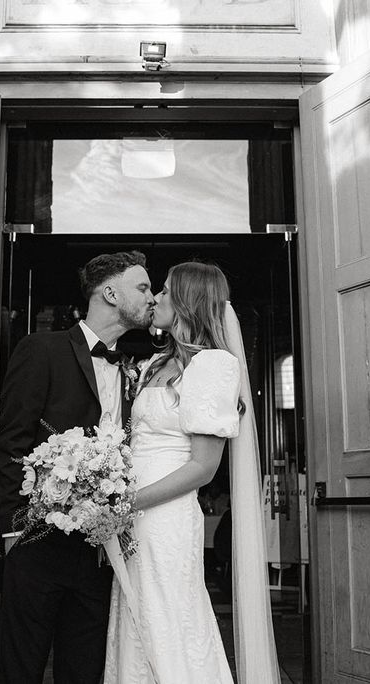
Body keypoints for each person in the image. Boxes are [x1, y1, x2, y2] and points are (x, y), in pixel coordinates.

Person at [103, 261, 280, 684]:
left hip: (164, 517)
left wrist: (130, 503)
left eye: (164, 291)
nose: (155, 299)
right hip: (131, 517)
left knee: (168, 618)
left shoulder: (214, 365)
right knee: (135, 616)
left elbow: (203, 467)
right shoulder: (154, 364)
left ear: (187, 301)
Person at [0, 251, 156, 684]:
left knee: (84, 670)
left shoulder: (132, 371)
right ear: (110, 292)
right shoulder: (41, 350)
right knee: (19, 669)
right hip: (37, 542)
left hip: (99, 551)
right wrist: (12, 534)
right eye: (143, 287)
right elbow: (11, 442)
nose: (151, 297)